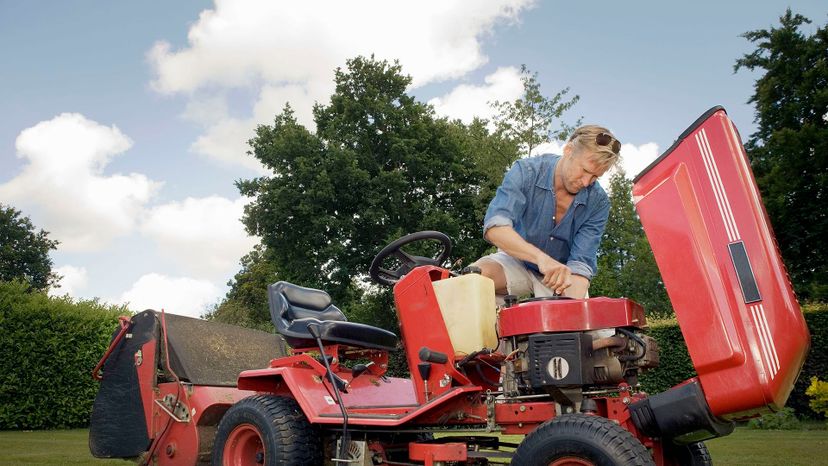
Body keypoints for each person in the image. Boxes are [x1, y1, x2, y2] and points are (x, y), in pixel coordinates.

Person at [473, 125, 621, 299]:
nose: (587, 182)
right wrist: (542, 259)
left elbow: (581, 263)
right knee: (475, 278)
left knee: (586, 323)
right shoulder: (526, 171)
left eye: (596, 177)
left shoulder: (599, 201)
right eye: (585, 171)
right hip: (517, 261)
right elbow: (495, 228)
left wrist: (571, 308)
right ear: (568, 150)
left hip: (564, 277)